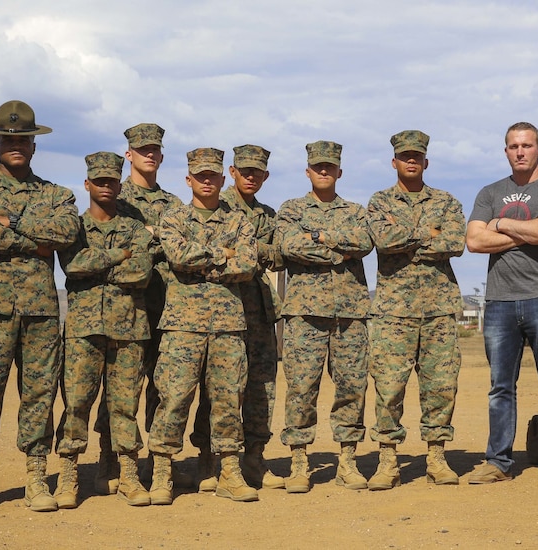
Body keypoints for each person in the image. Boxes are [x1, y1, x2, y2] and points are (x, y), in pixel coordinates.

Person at [0, 100, 80, 514]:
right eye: (8, 138)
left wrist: (9, 223)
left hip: (41, 312)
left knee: (39, 395)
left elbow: (65, 231)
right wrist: (34, 241)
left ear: (33, 145)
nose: (16, 145)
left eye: (23, 139)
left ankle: (36, 476)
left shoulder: (56, 194)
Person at [146, 148, 258, 504]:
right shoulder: (173, 218)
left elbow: (247, 264)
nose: (207, 181)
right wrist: (220, 254)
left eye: (213, 176)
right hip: (183, 326)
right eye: (201, 175)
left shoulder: (239, 221)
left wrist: (202, 259)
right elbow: (177, 256)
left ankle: (229, 471)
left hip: (227, 326)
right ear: (189, 179)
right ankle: (162, 472)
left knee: (228, 401)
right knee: (174, 398)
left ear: (223, 179)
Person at [466, 121, 538, 485]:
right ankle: (498, 460)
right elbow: (474, 243)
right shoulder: (489, 192)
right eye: (513, 146)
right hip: (499, 301)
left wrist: (500, 225)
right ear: (506, 151)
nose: (520, 151)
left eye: (527, 145)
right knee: (500, 387)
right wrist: (526, 234)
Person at [365, 130, 465, 489]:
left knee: (440, 386)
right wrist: (428, 234)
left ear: (426, 161)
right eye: (404, 155)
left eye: (416, 156)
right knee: (389, 387)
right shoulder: (379, 202)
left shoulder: (447, 201)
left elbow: (455, 242)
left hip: (438, 308)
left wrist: (407, 235)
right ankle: (387, 459)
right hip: (393, 310)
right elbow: (383, 240)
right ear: (394, 161)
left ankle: (436, 457)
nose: (411, 160)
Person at [54, 152, 153, 508]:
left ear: (119, 182)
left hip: (128, 329)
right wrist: (116, 257)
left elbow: (142, 272)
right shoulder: (74, 228)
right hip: (83, 330)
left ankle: (128, 473)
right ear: (87, 184)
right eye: (100, 181)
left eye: (112, 181)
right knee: (77, 403)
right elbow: (72, 265)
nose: (107, 187)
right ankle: (68, 475)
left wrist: (99, 266)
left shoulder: (135, 228)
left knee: (124, 406)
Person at [275, 141, 373, 493]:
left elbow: (364, 241)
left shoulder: (357, 211)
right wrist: (337, 250)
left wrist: (317, 237)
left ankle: (347, 460)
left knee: (352, 388)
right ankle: (299, 461)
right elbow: (289, 246)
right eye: (318, 167)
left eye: (330, 167)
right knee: (301, 389)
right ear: (308, 171)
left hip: (350, 315)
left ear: (339, 172)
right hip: (304, 314)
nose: (324, 172)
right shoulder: (290, 209)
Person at [190, 144, 286, 493]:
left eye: (256, 172)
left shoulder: (268, 214)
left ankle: (255, 458)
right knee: (216, 389)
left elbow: (279, 254)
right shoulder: (218, 205)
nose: (250, 177)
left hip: (258, 312)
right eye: (244, 170)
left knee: (261, 386)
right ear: (231, 172)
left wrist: (247, 250)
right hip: (218, 309)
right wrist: (243, 252)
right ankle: (208, 459)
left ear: (265, 176)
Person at [97, 123, 187, 494]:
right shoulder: (116, 201)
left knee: (162, 388)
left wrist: (150, 242)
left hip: (166, 306)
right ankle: (109, 456)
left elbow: (182, 248)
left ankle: (155, 461)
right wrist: (152, 242)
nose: (149, 155)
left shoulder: (174, 205)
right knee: (121, 387)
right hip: (126, 308)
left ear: (162, 156)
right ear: (129, 155)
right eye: (142, 149)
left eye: (155, 150)